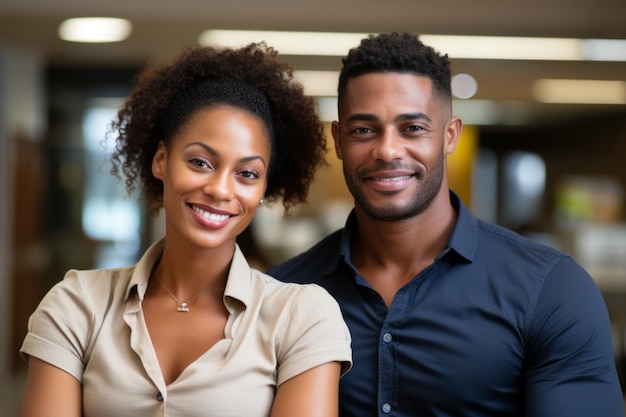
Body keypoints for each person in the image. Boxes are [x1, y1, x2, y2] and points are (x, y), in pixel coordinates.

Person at [268, 32, 624, 416]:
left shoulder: (552, 291)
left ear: (450, 135)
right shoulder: (283, 294)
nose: (387, 150)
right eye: (364, 130)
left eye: (413, 128)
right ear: (338, 140)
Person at [19, 42, 352, 417]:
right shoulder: (77, 305)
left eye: (247, 173)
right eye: (200, 161)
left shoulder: (301, 316)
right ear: (161, 160)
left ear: (263, 189)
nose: (221, 189)